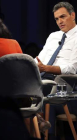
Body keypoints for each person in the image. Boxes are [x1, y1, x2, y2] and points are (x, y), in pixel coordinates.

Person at [35, 2, 77, 139]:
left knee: (41, 93)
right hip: (42, 75)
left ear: (73, 15)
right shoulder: (53, 36)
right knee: (18, 86)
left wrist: (48, 68)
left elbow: (73, 68)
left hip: (63, 79)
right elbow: (40, 59)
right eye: (57, 19)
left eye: (63, 17)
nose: (60, 21)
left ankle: (48, 134)